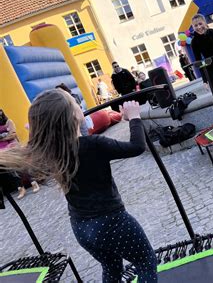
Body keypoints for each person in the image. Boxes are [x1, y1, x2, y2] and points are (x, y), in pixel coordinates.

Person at [0, 90, 158, 282]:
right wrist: (134, 117)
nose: (77, 103)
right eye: (74, 102)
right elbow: (137, 147)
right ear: (73, 114)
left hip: (82, 229)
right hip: (112, 223)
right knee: (146, 262)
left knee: (111, 266)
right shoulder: (94, 144)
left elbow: (70, 138)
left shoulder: (52, 151)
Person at [0, 109, 40, 199]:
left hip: (12, 147)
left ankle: (34, 182)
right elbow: (9, 135)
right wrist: (6, 136)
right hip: (2, 152)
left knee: (22, 166)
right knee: (11, 170)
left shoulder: (8, 121)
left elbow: (13, 135)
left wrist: (2, 138)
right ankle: (20, 188)